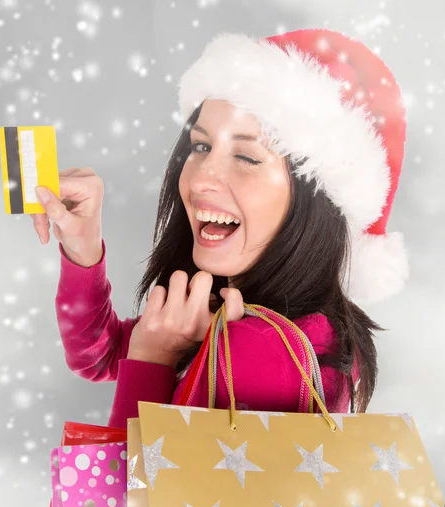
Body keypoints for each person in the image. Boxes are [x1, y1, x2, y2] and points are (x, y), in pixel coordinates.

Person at [32, 29, 408, 428]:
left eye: (246, 157)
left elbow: (124, 490)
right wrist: (82, 246)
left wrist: (152, 361)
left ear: (316, 199)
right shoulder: (295, 324)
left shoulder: (255, 349)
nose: (199, 179)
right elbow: (100, 355)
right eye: (201, 147)